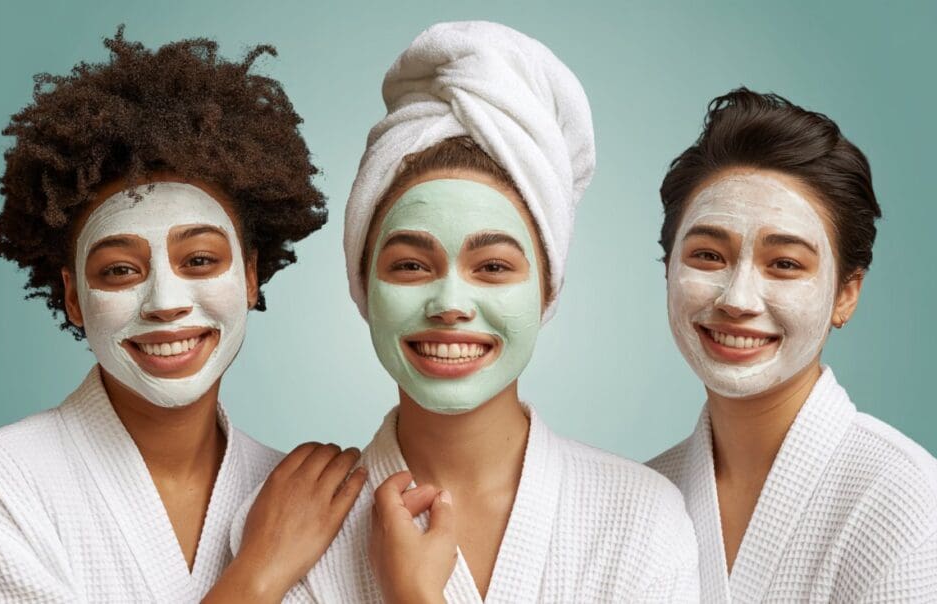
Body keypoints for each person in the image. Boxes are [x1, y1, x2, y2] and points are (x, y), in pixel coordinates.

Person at [233, 21, 699, 603]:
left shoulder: (642, 519)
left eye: (494, 267)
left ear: (547, 289)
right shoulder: (290, 532)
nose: (450, 304)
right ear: (362, 286)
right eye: (410, 266)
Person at [0, 28, 364, 602]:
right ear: (74, 296)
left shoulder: (308, 496)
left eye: (201, 259)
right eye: (120, 270)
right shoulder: (0, 486)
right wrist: (259, 572)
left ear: (251, 274)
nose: (165, 302)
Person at [648, 88, 937, 602]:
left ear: (846, 294)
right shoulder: (644, 495)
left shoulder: (906, 499)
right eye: (708, 255)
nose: (737, 299)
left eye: (784, 264)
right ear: (667, 270)